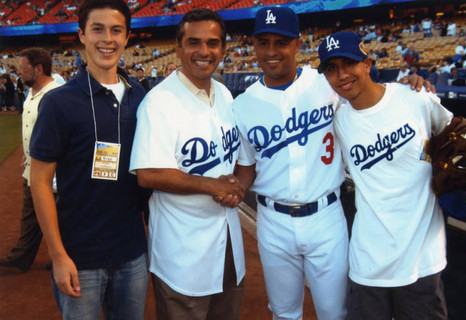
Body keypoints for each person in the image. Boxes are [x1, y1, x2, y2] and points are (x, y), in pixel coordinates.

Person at [228, 7, 431, 320]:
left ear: (297, 44)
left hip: (327, 217)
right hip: (273, 220)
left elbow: (375, 96)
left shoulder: (327, 82)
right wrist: (224, 188)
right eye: (263, 42)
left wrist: (409, 85)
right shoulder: (241, 106)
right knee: (283, 312)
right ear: (253, 45)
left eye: (281, 42)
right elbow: (246, 167)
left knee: (336, 312)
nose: (271, 51)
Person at [29, 1, 149, 318]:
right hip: (79, 256)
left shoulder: (142, 98)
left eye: (115, 30)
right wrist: (57, 255)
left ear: (127, 37)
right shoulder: (59, 102)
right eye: (97, 29)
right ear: (82, 35)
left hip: (132, 254)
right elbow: (39, 181)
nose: (106, 39)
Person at [318, 31, 449, 320]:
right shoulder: (338, 122)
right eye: (331, 68)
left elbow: (455, 137)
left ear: (368, 63)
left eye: (348, 63)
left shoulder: (415, 98)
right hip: (369, 261)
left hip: (421, 257)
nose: (341, 75)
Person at [129, 8, 245, 320]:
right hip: (183, 250)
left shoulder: (223, 93)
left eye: (213, 43)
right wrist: (215, 186)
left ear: (223, 48)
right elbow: (148, 173)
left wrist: (235, 189)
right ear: (178, 48)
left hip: (227, 240)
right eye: (194, 42)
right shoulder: (159, 102)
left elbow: (233, 163)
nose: (204, 51)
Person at [0, 48, 61, 273]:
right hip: (33, 167)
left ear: (38, 68)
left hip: (53, 172)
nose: (20, 74)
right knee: (31, 214)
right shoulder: (33, 93)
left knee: (59, 216)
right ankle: (21, 258)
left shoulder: (57, 94)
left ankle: (62, 257)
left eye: (24, 69)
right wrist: (27, 153)